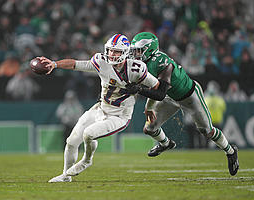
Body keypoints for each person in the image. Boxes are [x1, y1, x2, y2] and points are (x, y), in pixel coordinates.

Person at [40, 34, 160, 182]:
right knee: (71, 141)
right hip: (100, 109)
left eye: (116, 51)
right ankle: (65, 176)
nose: (112, 54)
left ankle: (86, 160)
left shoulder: (136, 69)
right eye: (110, 50)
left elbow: (156, 86)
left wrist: (145, 98)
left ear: (125, 53)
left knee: (89, 134)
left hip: (119, 116)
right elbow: (75, 64)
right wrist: (54, 64)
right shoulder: (101, 62)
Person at [128, 32, 239, 176]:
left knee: (207, 130)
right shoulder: (144, 64)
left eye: (139, 50)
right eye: (134, 50)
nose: (136, 54)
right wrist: (148, 107)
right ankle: (165, 143)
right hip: (170, 97)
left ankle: (230, 151)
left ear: (150, 49)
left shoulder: (162, 63)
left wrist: (138, 89)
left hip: (189, 96)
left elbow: (160, 93)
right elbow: (155, 89)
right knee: (149, 128)